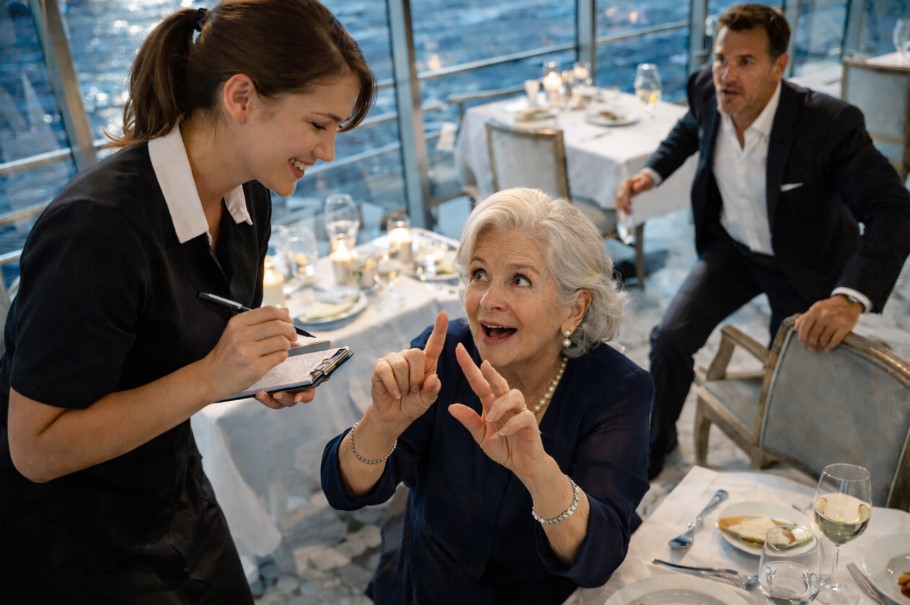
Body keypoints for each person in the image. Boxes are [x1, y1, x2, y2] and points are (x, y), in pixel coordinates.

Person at [0, 1, 375, 602]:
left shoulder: (249, 196)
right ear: (242, 98)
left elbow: (184, 343)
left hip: (175, 492)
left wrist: (262, 369)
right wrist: (210, 377)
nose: (328, 152)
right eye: (318, 125)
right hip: (74, 544)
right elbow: (36, 449)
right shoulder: (96, 229)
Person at [615, 3, 910, 480]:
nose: (726, 75)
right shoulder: (706, 89)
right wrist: (651, 173)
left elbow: (894, 209)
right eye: (720, 58)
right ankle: (658, 439)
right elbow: (690, 127)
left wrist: (849, 300)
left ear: (780, 66)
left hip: (806, 263)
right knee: (668, 338)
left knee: (795, 381)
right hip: (732, 250)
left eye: (745, 62)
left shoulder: (828, 125)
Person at [321, 187, 653, 604]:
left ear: (574, 309)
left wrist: (538, 471)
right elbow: (343, 488)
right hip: (427, 587)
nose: (488, 301)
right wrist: (381, 423)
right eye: (479, 274)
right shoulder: (444, 354)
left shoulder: (617, 390)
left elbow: (596, 559)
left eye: (519, 280)